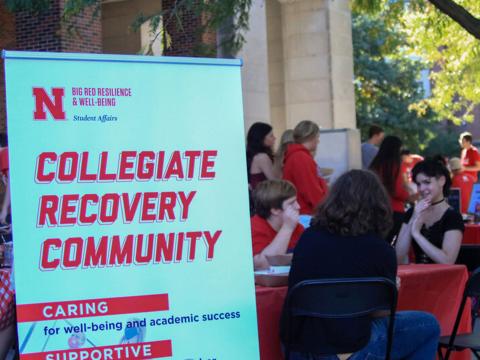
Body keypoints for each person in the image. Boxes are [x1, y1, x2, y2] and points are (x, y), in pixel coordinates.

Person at [284, 170, 440, 359]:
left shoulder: (308, 238)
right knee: (428, 325)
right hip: (350, 346)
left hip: (299, 347)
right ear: (378, 206)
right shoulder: (381, 250)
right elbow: (381, 312)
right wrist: (391, 291)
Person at [396, 159, 464, 264]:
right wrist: (414, 216)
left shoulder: (452, 216)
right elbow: (398, 257)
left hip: (445, 278)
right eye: (418, 184)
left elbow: (448, 261)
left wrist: (416, 234)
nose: (422, 188)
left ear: (441, 181)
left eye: (427, 182)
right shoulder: (412, 212)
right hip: (417, 277)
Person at [251, 180, 304, 270]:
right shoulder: (254, 227)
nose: (298, 206)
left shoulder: (297, 227)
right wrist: (287, 228)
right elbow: (263, 266)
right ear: (275, 210)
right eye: (291, 203)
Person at [370, 135, 411, 242]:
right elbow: (397, 191)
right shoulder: (394, 165)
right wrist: (409, 195)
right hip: (394, 210)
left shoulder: (375, 164)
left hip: (376, 210)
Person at [283, 121, 328, 215]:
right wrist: (325, 210)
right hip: (305, 213)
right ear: (311, 137)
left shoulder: (299, 156)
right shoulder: (300, 158)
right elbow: (311, 191)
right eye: (317, 137)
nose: (318, 141)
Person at [246, 122, 276, 190]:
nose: (274, 138)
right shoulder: (262, 157)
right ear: (262, 138)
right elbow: (275, 181)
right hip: (262, 197)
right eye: (271, 135)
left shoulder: (252, 155)